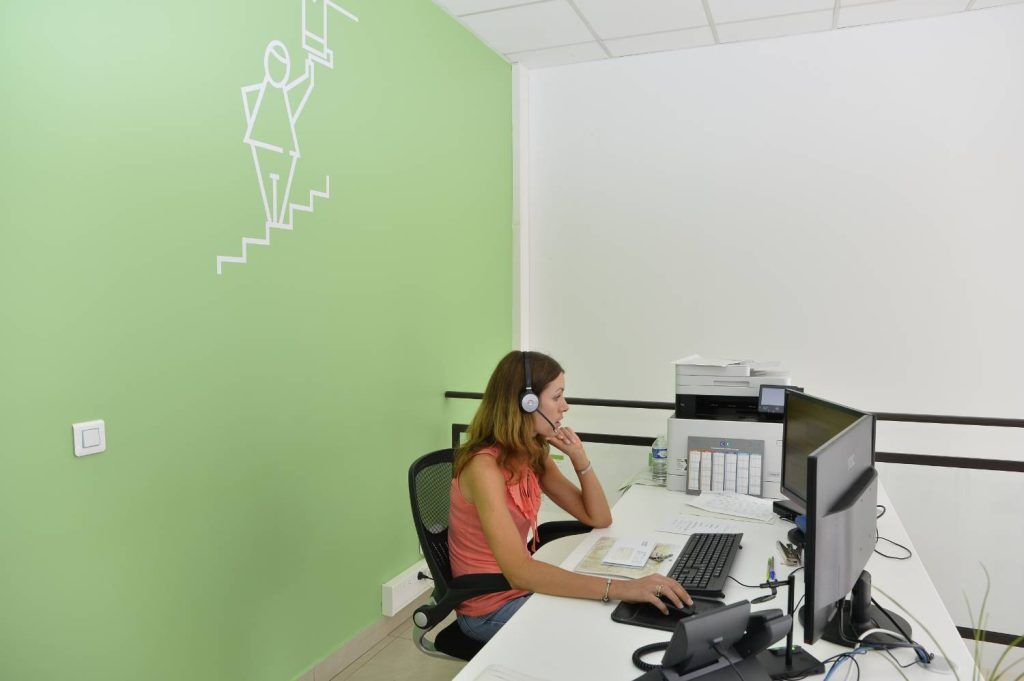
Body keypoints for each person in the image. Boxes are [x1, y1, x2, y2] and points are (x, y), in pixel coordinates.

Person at [448, 350, 692, 643]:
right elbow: (520, 574)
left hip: (522, 589)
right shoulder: (483, 468)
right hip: (489, 609)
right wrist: (618, 588)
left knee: (618, 615)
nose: (565, 406)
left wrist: (579, 457)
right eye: (557, 396)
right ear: (527, 403)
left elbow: (599, 517)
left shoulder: (531, 453)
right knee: (606, 626)